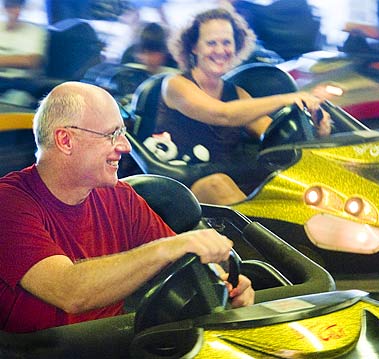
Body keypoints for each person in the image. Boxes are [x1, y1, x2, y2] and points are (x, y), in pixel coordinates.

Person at [0, 81, 254, 333]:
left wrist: (226, 286)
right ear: (65, 140)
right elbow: (70, 291)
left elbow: (183, 264)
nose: (125, 146)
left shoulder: (121, 197)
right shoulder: (9, 203)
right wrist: (173, 246)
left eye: (122, 133)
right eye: (112, 135)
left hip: (113, 342)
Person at [155, 7, 331, 205]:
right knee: (217, 185)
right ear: (194, 47)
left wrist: (315, 125)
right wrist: (287, 98)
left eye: (227, 42)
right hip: (178, 184)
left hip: (227, 180)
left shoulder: (238, 94)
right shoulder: (175, 85)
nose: (221, 50)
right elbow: (223, 114)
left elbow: (274, 135)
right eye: (211, 43)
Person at [0, 0, 47, 99]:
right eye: (9, 7)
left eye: (16, 7)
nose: (13, 12)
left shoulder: (35, 31)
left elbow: (32, 61)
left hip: (19, 84)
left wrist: (3, 60)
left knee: (16, 99)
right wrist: (16, 59)